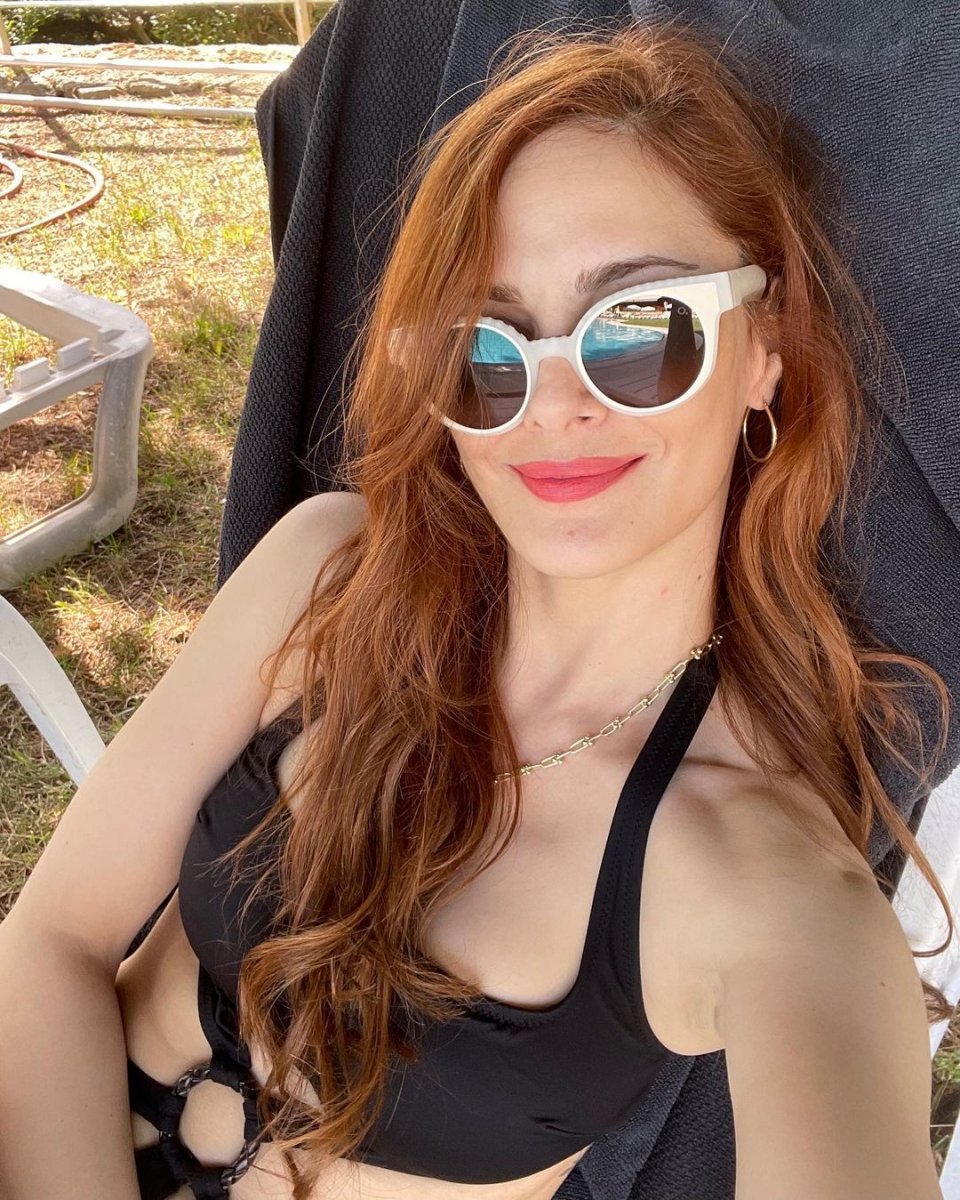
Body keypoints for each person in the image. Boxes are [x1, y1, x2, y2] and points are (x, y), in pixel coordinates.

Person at [0, 19, 951, 1200]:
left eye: (640, 330)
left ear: (768, 349)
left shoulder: (760, 878)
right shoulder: (330, 579)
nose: (552, 406)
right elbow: (50, 942)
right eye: (483, 347)